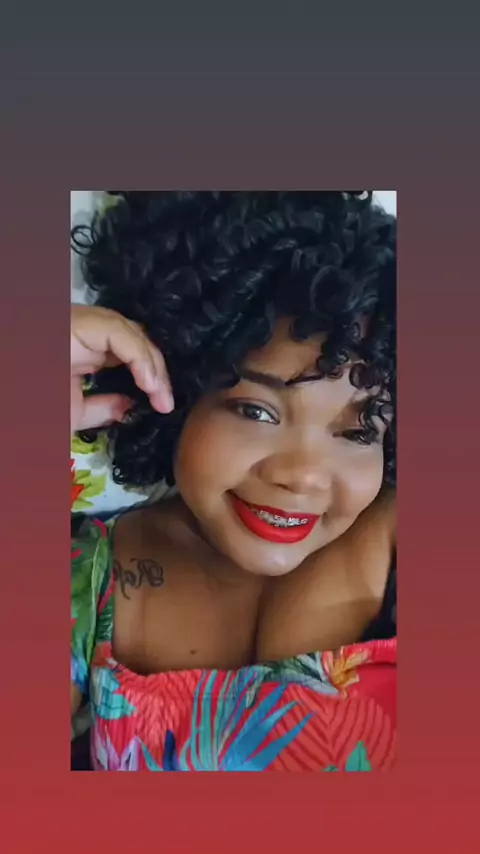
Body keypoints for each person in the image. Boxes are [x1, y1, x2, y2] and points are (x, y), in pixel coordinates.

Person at [71, 191, 396, 771]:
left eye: (358, 430)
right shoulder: (90, 575)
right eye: (256, 411)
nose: (303, 475)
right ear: (176, 390)